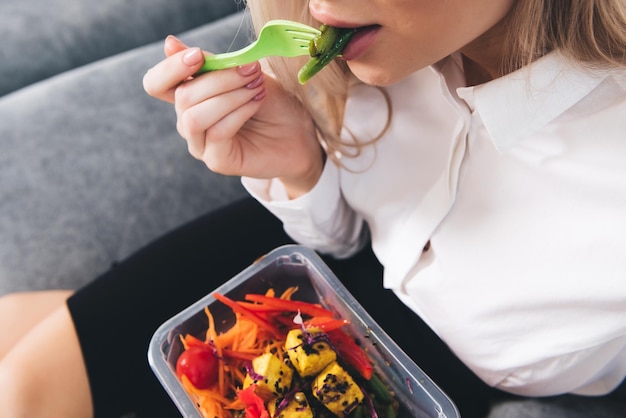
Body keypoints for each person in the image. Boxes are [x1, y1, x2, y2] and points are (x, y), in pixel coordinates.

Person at [1, 0, 626, 417]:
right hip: (289, 266)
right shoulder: (375, 47)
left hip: (419, 385)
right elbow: (343, 239)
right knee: (18, 383)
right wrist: (301, 168)